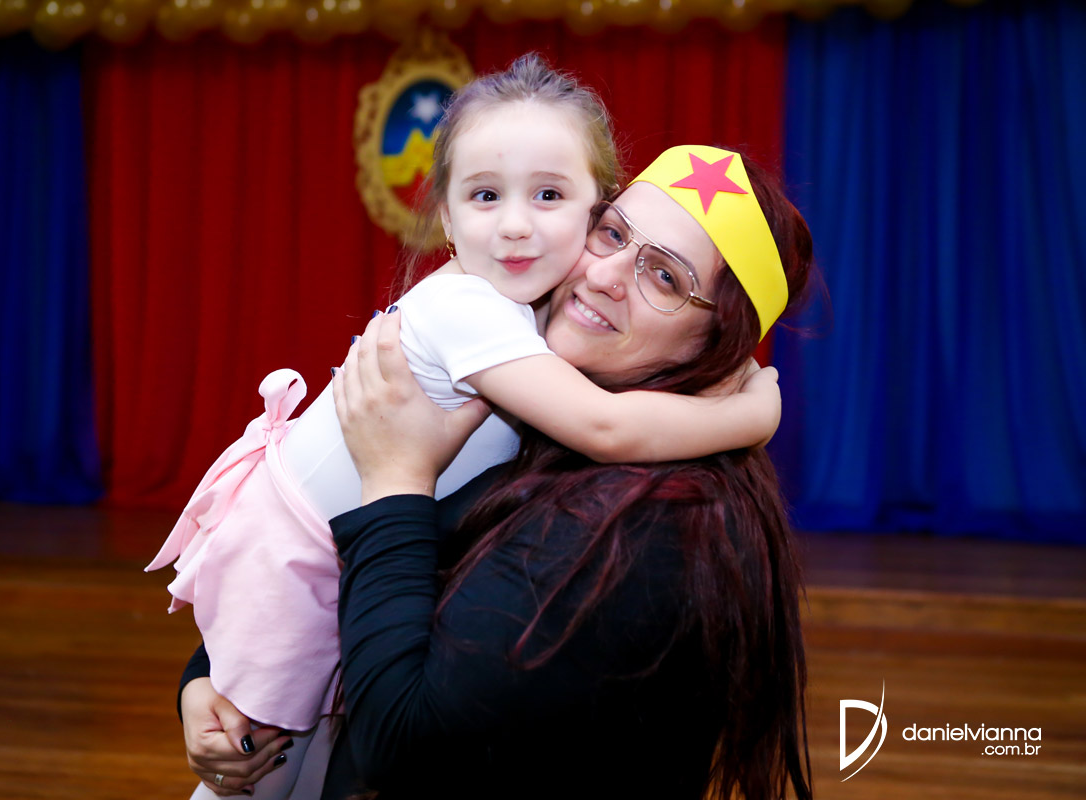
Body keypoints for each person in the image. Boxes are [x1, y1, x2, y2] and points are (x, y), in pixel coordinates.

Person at [148, 57, 780, 799]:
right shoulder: (476, 315)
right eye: (485, 195)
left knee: (292, 772)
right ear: (446, 218)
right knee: (255, 776)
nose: (515, 225)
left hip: (328, 579)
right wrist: (749, 412)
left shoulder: (648, 515)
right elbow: (606, 426)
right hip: (300, 564)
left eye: (549, 195)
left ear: (589, 204)